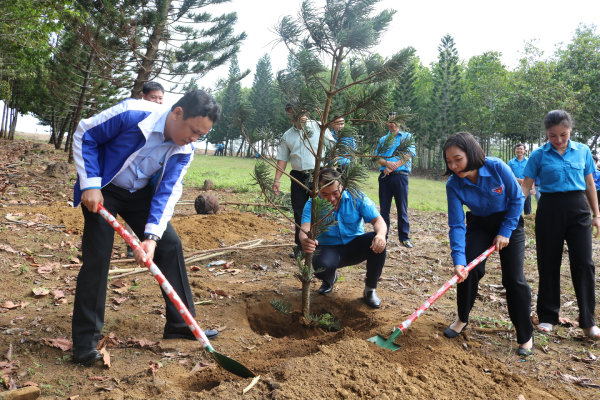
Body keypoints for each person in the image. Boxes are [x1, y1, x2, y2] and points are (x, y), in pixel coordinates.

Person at [71, 90, 221, 366]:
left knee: (170, 244)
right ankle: (84, 343)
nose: (194, 139)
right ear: (177, 113)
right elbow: (84, 134)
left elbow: (167, 192)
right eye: (193, 131)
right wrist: (90, 183)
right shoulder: (132, 113)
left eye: (201, 135)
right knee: (98, 256)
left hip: (139, 194)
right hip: (104, 187)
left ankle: (180, 324)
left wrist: (151, 237)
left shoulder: (184, 149)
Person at [444, 132, 533, 356]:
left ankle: (525, 334)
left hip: (510, 221)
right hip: (479, 224)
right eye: (449, 161)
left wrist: (505, 231)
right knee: (468, 270)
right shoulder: (453, 184)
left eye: (458, 159)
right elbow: (456, 224)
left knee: (513, 279)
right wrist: (458, 260)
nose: (454, 166)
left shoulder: (497, 167)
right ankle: (462, 318)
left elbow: (517, 199)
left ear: (471, 154)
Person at [521, 110, 600, 340]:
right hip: (549, 209)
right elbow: (526, 187)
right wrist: (513, 213)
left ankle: (588, 322)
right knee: (548, 261)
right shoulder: (537, 155)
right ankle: (548, 316)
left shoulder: (583, 151)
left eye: (563, 135)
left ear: (570, 131)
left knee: (585, 263)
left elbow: (589, 184)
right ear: (546, 133)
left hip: (578, 209)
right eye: (552, 135)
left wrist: (597, 214)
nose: (558, 140)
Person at [299, 168, 387, 308]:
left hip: (355, 246)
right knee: (320, 266)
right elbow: (305, 228)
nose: (331, 199)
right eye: (324, 194)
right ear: (318, 191)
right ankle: (329, 279)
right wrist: (305, 240)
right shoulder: (312, 204)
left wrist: (381, 235)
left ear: (342, 186)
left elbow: (378, 221)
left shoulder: (356, 197)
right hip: (328, 249)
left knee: (376, 240)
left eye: (335, 193)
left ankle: (370, 290)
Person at [273, 103, 334, 257]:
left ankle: (323, 244)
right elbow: (282, 158)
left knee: (321, 208)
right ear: (289, 115)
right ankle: (301, 247)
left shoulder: (319, 127)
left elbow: (333, 147)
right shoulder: (287, 135)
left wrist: (332, 172)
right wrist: (277, 180)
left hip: (319, 175)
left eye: (301, 112)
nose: (299, 116)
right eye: (293, 114)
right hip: (298, 176)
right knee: (299, 211)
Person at [124, 81, 167, 258]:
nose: (157, 102)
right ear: (144, 98)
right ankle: (130, 243)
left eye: (160, 98)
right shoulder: (135, 119)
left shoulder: (164, 125)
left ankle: (142, 242)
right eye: (153, 97)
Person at [375, 112, 416, 248]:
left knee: (402, 208)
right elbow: (378, 158)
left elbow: (408, 155)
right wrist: (386, 165)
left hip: (400, 176)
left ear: (400, 122)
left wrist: (392, 167)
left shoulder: (407, 137)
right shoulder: (383, 140)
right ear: (386, 123)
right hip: (384, 177)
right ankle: (383, 237)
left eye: (395, 121)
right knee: (384, 208)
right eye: (390, 121)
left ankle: (404, 238)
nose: (392, 124)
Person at [507, 143, 534, 215]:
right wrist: (518, 180)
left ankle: (528, 220)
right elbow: (508, 174)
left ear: (524, 150)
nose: (519, 150)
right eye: (518, 149)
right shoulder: (511, 162)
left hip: (527, 186)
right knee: (515, 204)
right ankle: (517, 220)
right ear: (515, 150)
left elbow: (532, 174)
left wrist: (533, 188)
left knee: (527, 205)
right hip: (515, 186)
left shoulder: (529, 161)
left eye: (521, 149)